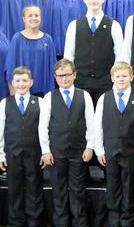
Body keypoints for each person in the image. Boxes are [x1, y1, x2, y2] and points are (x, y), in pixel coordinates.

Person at [39, 59, 95, 226]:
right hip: (56, 152)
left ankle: (79, 222)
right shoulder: (49, 97)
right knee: (58, 190)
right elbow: (43, 126)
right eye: (60, 76)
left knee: (78, 189)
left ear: (75, 75)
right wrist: (45, 150)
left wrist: (90, 146)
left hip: (78, 150)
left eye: (68, 75)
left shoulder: (84, 95)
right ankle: (61, 223)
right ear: (55, 78)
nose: (64, 78)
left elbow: (91, 124)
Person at [94, 62, 134, 227]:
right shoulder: (104, 98)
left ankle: (128, 221)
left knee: (130, 189)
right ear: (112, 78)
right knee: (113, 187)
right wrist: (99, 149)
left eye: (124, 76)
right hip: (110, 152)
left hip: (131, 152)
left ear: (131, 77)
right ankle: (114, 221)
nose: (121, 79)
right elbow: (98, 125)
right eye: (118, 76)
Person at [0, 67, 44, 227]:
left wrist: (45, 151)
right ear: (12, 83)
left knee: (34, 187)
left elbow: (44, 130)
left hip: (34, 152)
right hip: (12, 152)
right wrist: (0, 154)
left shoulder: (40, 102)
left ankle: (34, 221)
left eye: (24, 80)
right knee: (14, 188)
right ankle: (15, 221)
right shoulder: (5, 103)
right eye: (17, 81)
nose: (21, 84)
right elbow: (0, 130)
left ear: (31, 82)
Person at [64, 0, 124, 105]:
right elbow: (69, 56)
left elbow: (120, 56)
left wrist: (115, 80)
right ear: (85, 0)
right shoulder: (74, 25)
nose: (93, 1)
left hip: (105, 82)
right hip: (80, 81)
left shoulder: (114, 25)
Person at [5, 5, 56, 96]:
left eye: (36, 15)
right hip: (21, 90)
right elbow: (10, 66)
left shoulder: (48, 39)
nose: (34, 18)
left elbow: (52, 68)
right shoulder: (17, 38)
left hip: (42, 91)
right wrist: (13, 92)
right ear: (24, 18)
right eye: (30, 15)